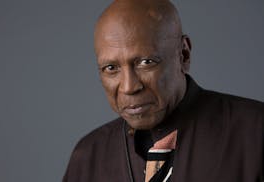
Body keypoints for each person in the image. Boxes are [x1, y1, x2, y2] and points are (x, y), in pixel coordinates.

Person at [63, 0, 264, 181]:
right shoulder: (87, 157)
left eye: (146, 62)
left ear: (183, 55)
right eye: (111, 68)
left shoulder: (255, 133)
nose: (129, 87)